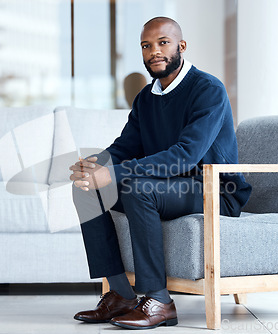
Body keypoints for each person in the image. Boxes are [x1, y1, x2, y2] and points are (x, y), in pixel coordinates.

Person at [69, 16, 252, 330]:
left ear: (181, 46)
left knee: (139, 188)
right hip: (166, 187)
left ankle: (160, 302)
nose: (154, 51)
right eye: (146, 45)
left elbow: (186, 155)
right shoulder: (146, 98)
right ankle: (121, 294)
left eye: (163, 43)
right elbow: (126, 146)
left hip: (214, 190)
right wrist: (96, 165)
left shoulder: (207, 89)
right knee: (87, 189)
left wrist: (114, 174)